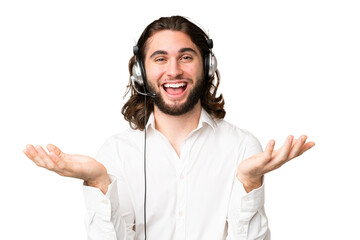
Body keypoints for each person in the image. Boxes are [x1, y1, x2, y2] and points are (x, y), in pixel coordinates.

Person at [23, 16, 315, 240]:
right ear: (140, 72)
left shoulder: (242, 147)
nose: (173, 70)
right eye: (160, 58)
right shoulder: (116, 152)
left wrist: (250, 182)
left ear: (207, 66)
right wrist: (100, 183)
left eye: (186, 57)